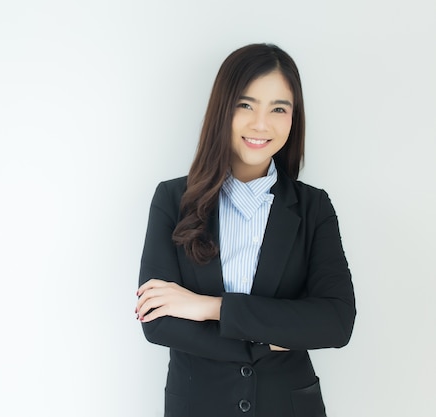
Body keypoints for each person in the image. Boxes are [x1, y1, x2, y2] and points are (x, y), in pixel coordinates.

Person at [135, 43, 356, 417]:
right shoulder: (172, 199)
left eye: (279, 109)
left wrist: (209, 308)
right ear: (223, 109)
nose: (261, 124)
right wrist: (274, 336)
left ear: (293, 118)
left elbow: (335, 323)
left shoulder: (314, 207)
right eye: (246, 105)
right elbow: (158, 321)